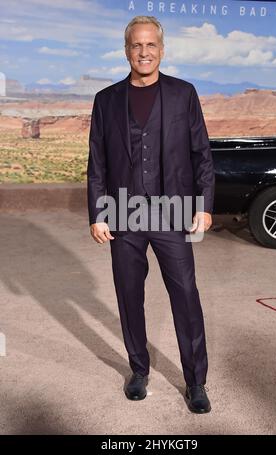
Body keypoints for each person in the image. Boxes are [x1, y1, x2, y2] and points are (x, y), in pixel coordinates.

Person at [87, 15, 215, 414]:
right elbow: (97, 163)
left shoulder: (183, 94)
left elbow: (201, 154)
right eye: (136, 45)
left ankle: (195, 381)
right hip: (123, 213)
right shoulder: (106, 100)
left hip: (172, 212)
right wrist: (97, 212)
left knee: (186, 296)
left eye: (151, 45)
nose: (144, 52)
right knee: (129, 296)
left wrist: (205, 206)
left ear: (161, 49)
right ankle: (138, 370)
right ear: (127, 50)